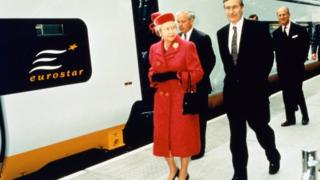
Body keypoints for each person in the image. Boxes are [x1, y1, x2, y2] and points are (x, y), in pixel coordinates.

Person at [216, 0, 281, 179]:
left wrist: (257, 82)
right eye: (228, 8)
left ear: (242, 8)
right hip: (233, 94)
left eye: (235, 7)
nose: (232, 11)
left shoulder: (258, 29)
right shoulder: (221, 33)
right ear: (224, 10)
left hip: (255, 92)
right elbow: (228, 64)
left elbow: (268, 58)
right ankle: (240, 174)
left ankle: (273, 155)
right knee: (236, 137)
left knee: (261, 129)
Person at [148, 12, 203, 180]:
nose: (172, 31)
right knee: (163, 139)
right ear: (159, 31)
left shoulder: (188, 46)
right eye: (167, 29)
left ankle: (184, 173)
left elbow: (198, 73)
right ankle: (173, 169)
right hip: (163, 102)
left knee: (183, 140)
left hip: (181, 100)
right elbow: (151, 70)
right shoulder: (154, 48)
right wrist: (154, 77)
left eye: (173, 27)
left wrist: (178, 75)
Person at [176, 10, 216, 160]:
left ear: (191, 21)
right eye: (178, 22)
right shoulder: (177, 39)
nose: (180, 24)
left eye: (183, 21)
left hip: (198, 86)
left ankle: (199, 149)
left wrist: (196, 77)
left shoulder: (202, 38)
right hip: (182, 87)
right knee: (186, 119)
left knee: (199, 120)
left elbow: (210, 60)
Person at [272, 7, 310, 127]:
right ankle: (290, 119)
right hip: (283, 71)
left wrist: (300, 62)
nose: (282, 17)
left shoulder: (300, 30)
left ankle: (305, 116)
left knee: (298, 92)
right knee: (286, 94)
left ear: (289, 15)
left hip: (296, 69)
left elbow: (305, 48)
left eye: (284, 14)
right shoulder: (276, 33)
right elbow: (276, 52)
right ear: (277, 17)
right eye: (279, 15)